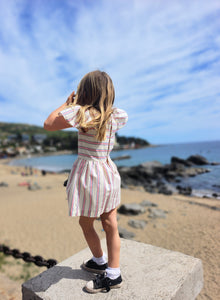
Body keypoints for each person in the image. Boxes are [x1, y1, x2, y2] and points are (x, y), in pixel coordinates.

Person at [44, 70, 128, 293]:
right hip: (108, 172)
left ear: (85, 91)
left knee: (86, 222)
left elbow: (48, 123)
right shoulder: (116, 115)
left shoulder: (81, 114)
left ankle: (101, 263)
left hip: (90, 176)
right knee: (111, 223)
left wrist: (65, 105)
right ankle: (113, 271)